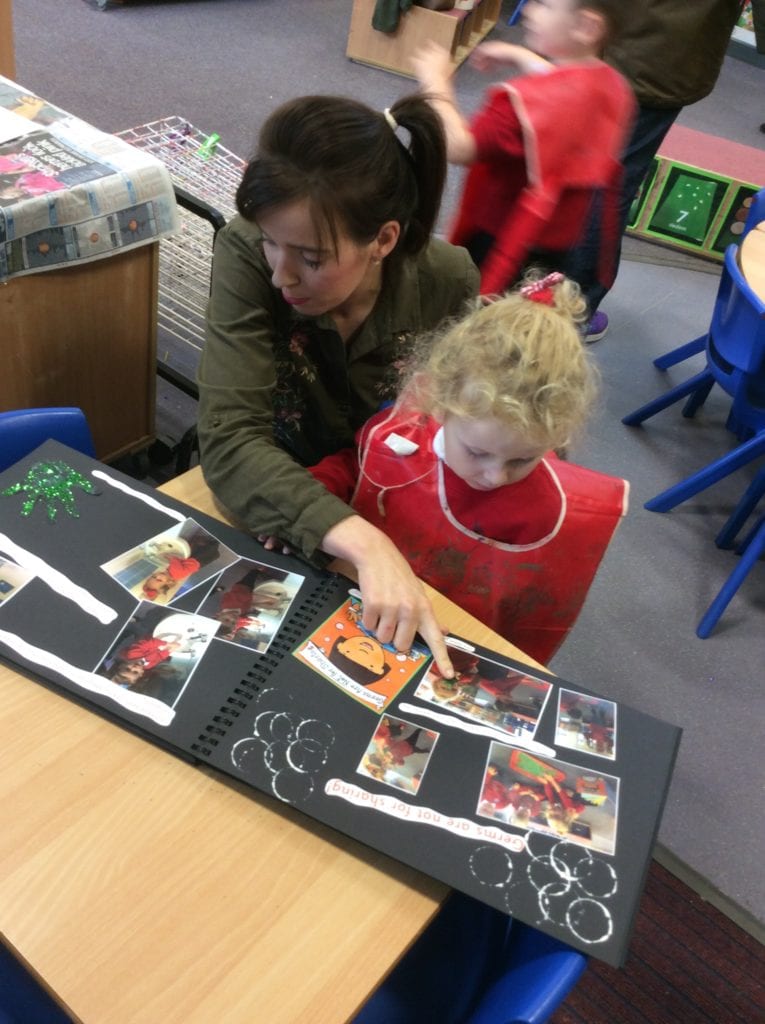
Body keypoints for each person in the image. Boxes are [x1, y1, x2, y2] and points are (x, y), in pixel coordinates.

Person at [197, 94, 480, 679]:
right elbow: (229, 439)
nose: (281, 274)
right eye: (271, 240)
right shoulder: (245, 251)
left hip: (382, 500)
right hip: (279, 499)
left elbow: (443, 431)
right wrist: (365, 544)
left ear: (383, 240)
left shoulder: (447, 280)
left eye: (311, 258)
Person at [309, 272, 628, 664]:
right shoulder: (400, 437)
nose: (495, 476)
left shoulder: (548, 509)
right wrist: (313, 498)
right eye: (477, 453)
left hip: (452, 644)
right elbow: (356, 468)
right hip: (357, 604)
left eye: (522, 459)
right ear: (440, 405)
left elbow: (527, 620)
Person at [410, 0, 635, 309]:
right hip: (555, 240)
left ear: (587, 27)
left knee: (471, 312)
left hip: (499, 240)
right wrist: (519, 55)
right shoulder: (613, 86)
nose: (528, 10)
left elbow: (459, 146)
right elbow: (566, 82)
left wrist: (436, 81)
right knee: (522, 311)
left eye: (543, 4)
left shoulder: (517, 108)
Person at [571, 0, 745, 340]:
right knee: (608, 186)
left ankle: (529, 285)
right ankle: (572, 310)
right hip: (655, 55)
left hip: (595, 31)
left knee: (571, 164)